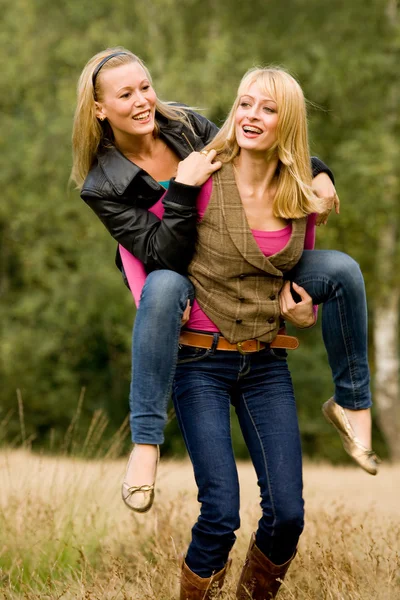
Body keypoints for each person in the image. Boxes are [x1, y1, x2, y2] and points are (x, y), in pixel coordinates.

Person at [70, 48, 378, 515]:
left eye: (146, 87)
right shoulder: (102, 185)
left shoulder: (188, 126)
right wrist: (184, 188)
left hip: (243, 258)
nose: (142, 101)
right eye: (126, 93)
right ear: (98, 108)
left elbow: (252, 146)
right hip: (181, 276)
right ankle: (145, 444)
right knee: (167, 286)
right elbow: (162, 256)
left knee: (341, 271)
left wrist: (318, 170)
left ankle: (353, 404)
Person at [171, 65, 337, 598]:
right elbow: (144, 246)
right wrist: (158, 301)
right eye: (244, 103)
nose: (250, 116)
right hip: (199, 359)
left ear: (286, 123)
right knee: (220, 514)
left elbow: (301, 276)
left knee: (287, 514)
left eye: (267, 108)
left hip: (267, 363)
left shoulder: (301, 194)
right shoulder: (200, 175)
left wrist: (307, 311)